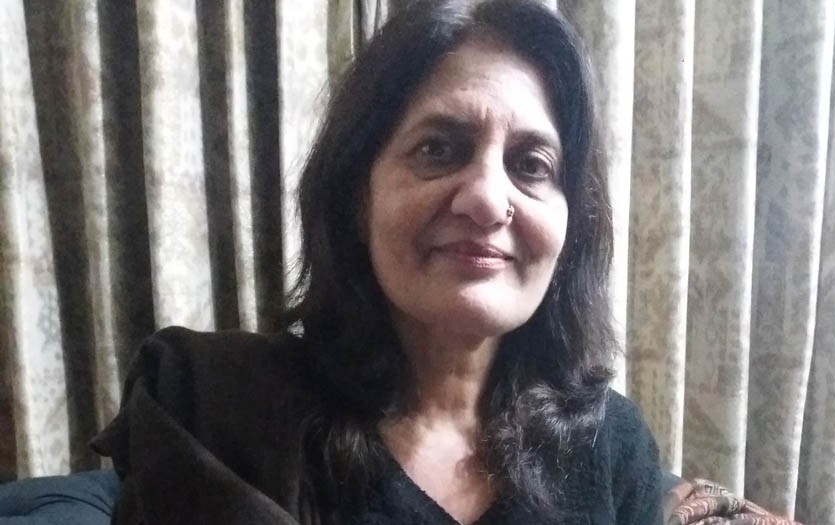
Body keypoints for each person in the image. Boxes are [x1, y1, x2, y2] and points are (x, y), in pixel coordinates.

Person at [90, 0, 662, 523]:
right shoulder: (212, 406)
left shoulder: (612, 447)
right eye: (438, 149)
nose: (488, 200)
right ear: (356, 196)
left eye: (532, 165)